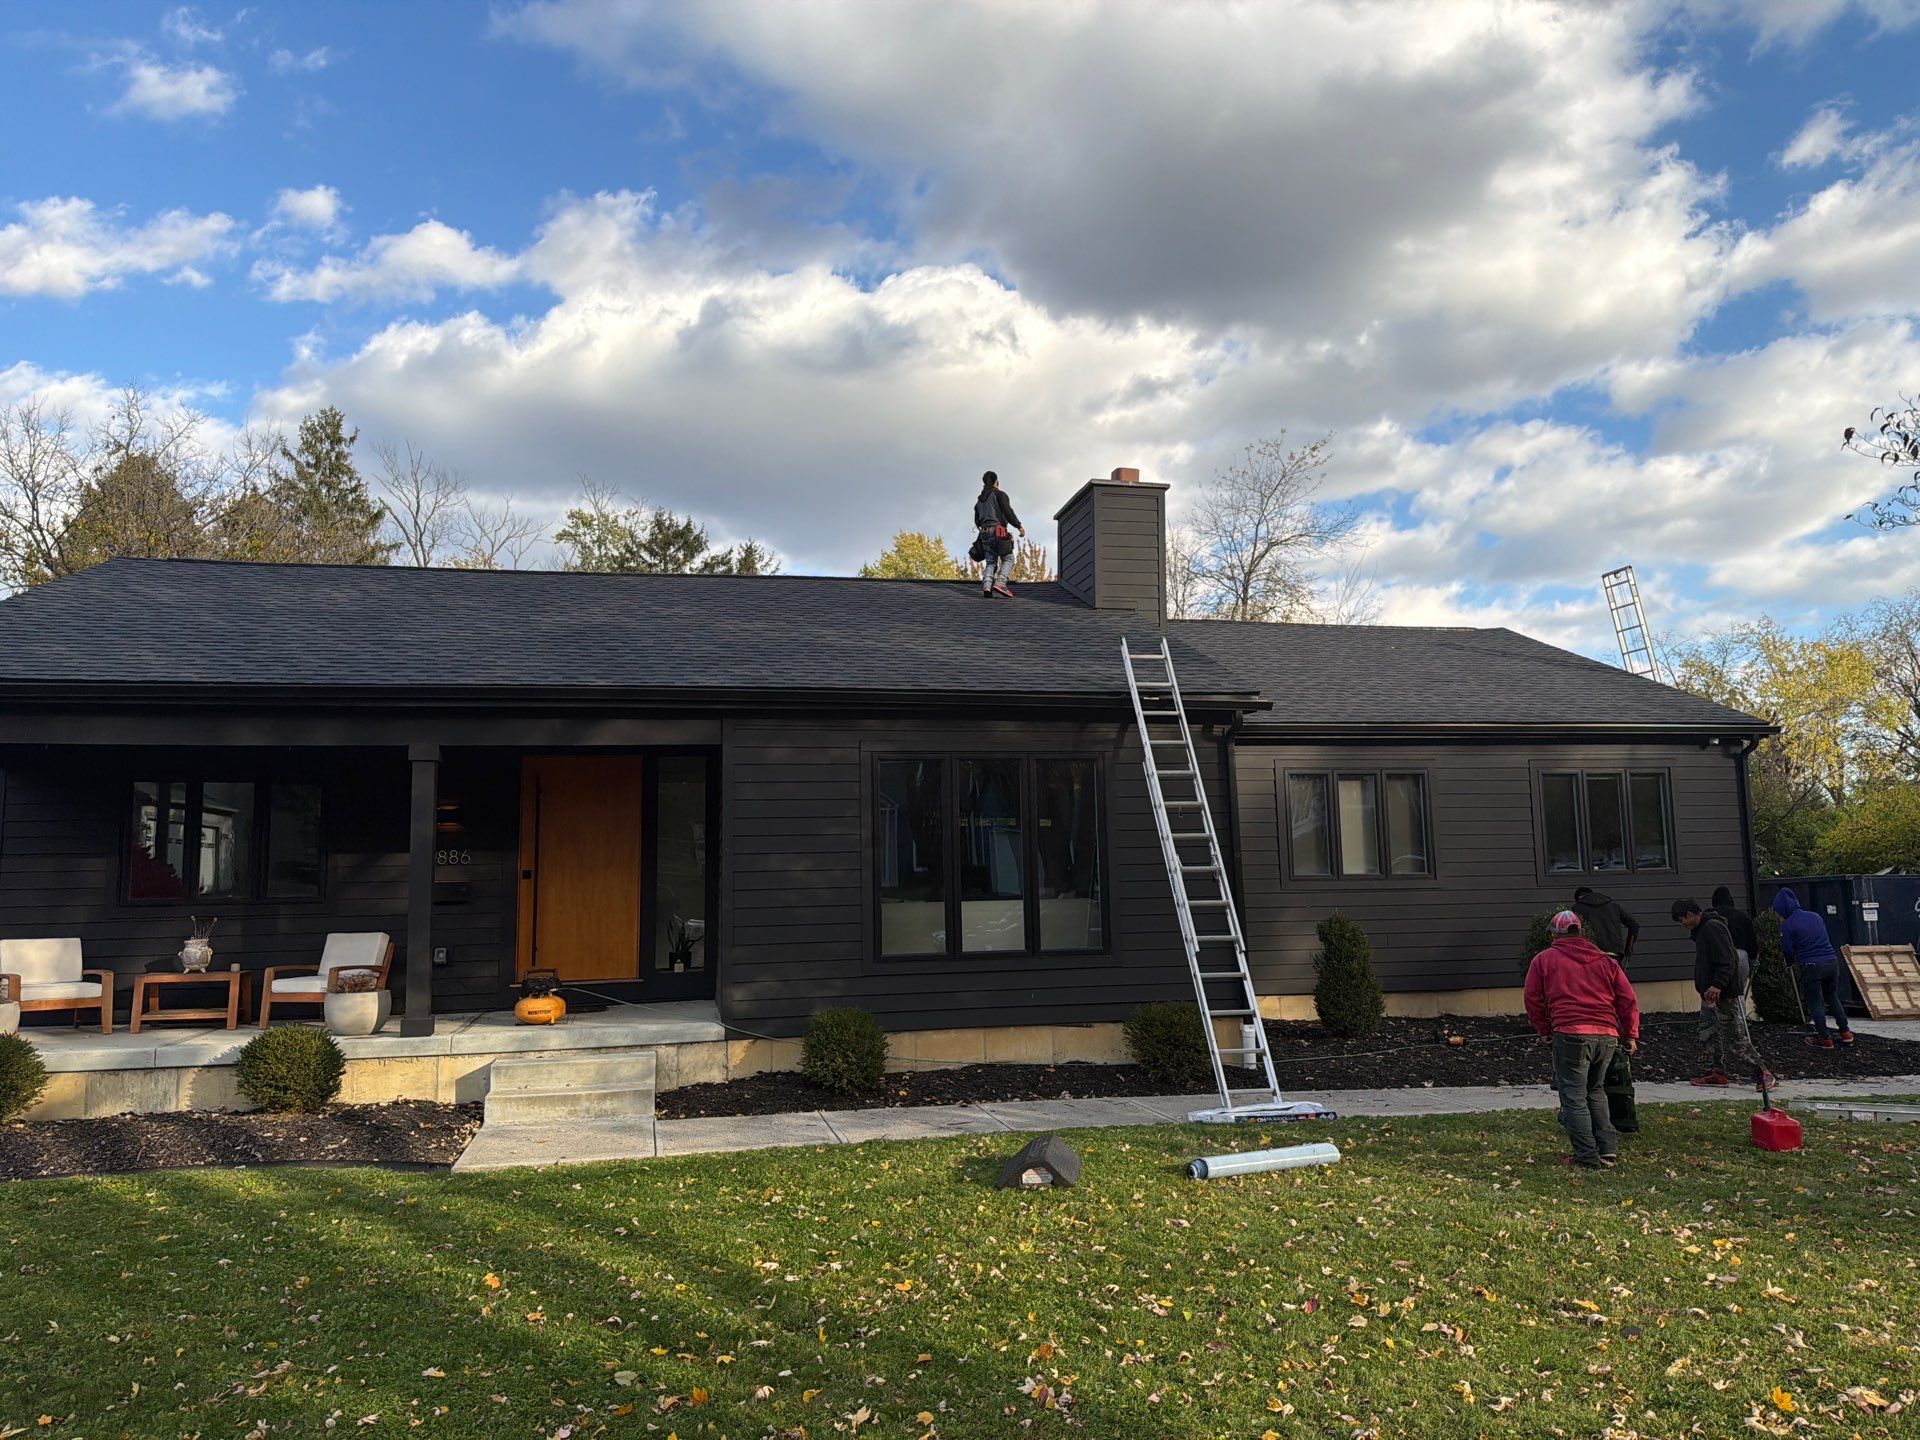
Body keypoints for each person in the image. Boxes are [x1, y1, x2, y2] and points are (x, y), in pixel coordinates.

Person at [1524, 910, 1641, 1170]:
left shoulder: (1544, 960)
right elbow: (1627, 998)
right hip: (1607, 1035)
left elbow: (1533, 999)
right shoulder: (1606, 961)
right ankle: (1607, 1151)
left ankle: (1586, 1157)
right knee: (1596, 1091)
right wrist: (1631, 1034)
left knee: (1574, 1096)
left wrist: (1544, 1029)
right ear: (1582, 933)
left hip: (1571, 1033)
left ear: (1554, 934)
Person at [1672, 897, 1771, 1089]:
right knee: (1708, 1032)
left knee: (1734, 1036)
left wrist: (1718, 985)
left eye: (1681, 919)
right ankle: (1716, 1071)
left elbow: (1727, 959)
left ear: (1691, 914)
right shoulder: (1701, 931)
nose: (1681, 924)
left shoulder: (1712, 928)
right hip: (1708, 994)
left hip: (1722, 993)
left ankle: (1762, 1072)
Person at [1772, 888, 1856, 1049]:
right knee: (1832, 997)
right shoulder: (1815, 916)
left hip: (1811, 965)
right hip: (1831, 961)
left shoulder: (1787, 925)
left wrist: (1789, 962)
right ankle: (1845, 1033)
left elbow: (1788, 950)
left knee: (1815, 1001)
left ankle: (1825, 1038)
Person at [973, 471, 1026, 599]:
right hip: (999, 531)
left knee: (991, 561)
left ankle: (987, 586)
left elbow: (977, 521)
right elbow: (1008, 511)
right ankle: (1001, 583)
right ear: (997, 482)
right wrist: (1019, 526)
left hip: (984, 533)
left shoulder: (979, 502)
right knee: (1008, 559)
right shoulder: (1000, 495)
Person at [1572, 886, 1639, 959]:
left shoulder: (1577, 908)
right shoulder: (1613, 905)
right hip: (1614, 953)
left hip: (1591, 954)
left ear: (1579, 897)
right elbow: (1633, 925)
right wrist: (1628, 947)